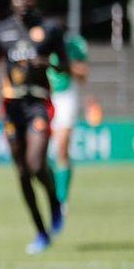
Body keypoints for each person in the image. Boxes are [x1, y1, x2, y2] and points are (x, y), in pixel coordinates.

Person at [0, 0, 68, 254]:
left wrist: (49, 64)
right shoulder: (1, 31)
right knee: (21, 171)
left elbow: (65, 66)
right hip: (12, 107)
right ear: (12, 2)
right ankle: (40, 231)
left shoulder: (50, 30)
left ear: (35, 0)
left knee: (35, 163)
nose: (24, 1)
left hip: (39, 103)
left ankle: (55, 201)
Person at [48, 27, 89, 211]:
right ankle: (52, 192)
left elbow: (83, 74)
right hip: (45, 96)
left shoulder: (74, 45)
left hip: (66, 96)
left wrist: (67, 64)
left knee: (62, 148)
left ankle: (61, 199)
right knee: (43, 153)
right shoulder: (42, 42)